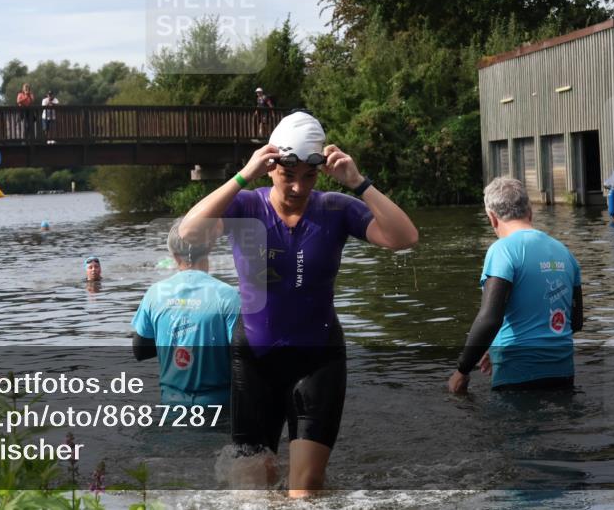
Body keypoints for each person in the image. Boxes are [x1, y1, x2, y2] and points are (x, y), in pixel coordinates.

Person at [178, 111, 418, 497]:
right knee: (253, 494)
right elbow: (188, 234)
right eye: (288, 176)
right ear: (271, 168)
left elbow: (405, 237)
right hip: (255, 361)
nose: (297, 187)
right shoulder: (245, 207)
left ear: (320, 173)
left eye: (308, 176)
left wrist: (359, 183)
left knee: (305, 493)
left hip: (318, 359)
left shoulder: (337, 209)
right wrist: (243, 174)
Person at [448, 177, 583, 394]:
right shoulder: (565, 253)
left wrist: (462, 371)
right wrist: (494, 349)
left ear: (492, 218)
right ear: (530, 211)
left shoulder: (502, 250)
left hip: (517, 377)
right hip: (563, 375)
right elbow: (575, 322)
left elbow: (489, 319)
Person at [131, 220, 240, 407]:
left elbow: (140, 351)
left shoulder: (154, 293)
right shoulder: (229, 295)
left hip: (171, 402)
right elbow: (242, 354)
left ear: (173, 254)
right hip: (219, 404)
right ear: (209, 247)